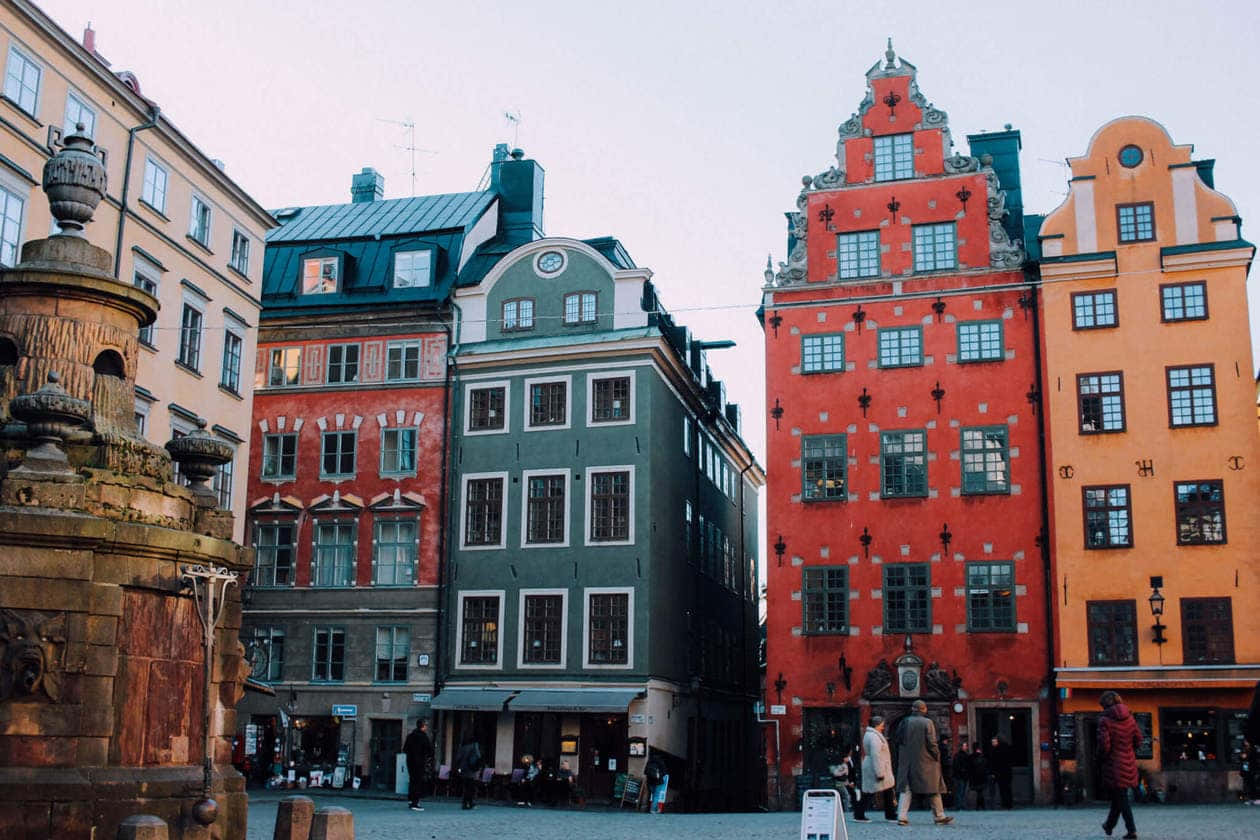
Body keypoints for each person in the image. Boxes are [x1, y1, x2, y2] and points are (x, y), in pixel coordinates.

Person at [894, 700, 953, 826]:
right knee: (934, 788)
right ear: (924, 709)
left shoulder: (904, 722)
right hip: (926, 761)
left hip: (907, 762)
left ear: (913, 709)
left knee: (906, 789)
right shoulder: (928, 722)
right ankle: (939, 816)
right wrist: (937, 755)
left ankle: (902, 816)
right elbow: (932, 743)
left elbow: (897, 740)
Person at [1098, 690, 1140, 839]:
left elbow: (1104, 745)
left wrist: (1101, 757)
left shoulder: (1105, 720)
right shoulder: (1130, 718)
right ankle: (1109, 825)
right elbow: (1138, 739)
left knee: (1121, 798)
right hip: (1129, 761)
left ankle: (1132, 830)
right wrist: (1128, 751)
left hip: (1114, 763)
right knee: (1119, 796)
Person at [861, 715, 897, 822]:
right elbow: (876, 755)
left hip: (873, 765)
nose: (883, 727)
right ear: (877, 725)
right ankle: (859, 814)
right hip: (877, 767)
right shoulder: (874, 737)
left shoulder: (871, 735)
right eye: (882, 725)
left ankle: (890, 814)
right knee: (870, 792)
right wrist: (879, 772)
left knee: (884, 791)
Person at [402, 718, 433, 812]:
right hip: (419, 762)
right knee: (418, 782)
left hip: (410, 762)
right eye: (426, 725)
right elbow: (430, 750)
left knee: (412, 780)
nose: (426, 727)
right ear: (423, 726)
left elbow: (405, 749)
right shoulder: (423, 736)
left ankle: (411, 800)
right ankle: (415, 803)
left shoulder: (410, 736)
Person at [453, 733, 483, 810]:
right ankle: (469, 802)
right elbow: (478, 756)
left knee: (466, 787)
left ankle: (465, 803)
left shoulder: (463, 747)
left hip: (463, 769)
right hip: (471, 769)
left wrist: (459, 767)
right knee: (471, 787)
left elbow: (458, 758)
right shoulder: (475, 746)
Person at [989, 735, 1014, 809]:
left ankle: (1005, 804)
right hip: (1007, 772)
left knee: (1003, 789)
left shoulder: (996, 750)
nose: (993, 743)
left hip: (1001, 773)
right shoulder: (1008, 748)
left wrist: (993, 772)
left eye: (994, 742)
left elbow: (994, 763)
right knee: (1007, 789)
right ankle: (1009, 804)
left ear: (998, 742)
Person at [951, 740, 971, 810]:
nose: (965, 747)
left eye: (966, 746)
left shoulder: (962, 755)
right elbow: (956, 766)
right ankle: (960, 805)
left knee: (961, 792)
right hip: (960, 776)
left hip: (962, 776)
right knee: (961, 791)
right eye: (964, 746)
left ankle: (960, 805)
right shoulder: (960, 756)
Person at [969, 741, 988, 810]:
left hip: (975, 777)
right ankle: (981, 806)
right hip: (981, 776)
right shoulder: (982, 757)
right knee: (980, 792)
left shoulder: (971, 757)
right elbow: (985, 766)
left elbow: (970, 767)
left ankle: (980, 806)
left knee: (979, 792)